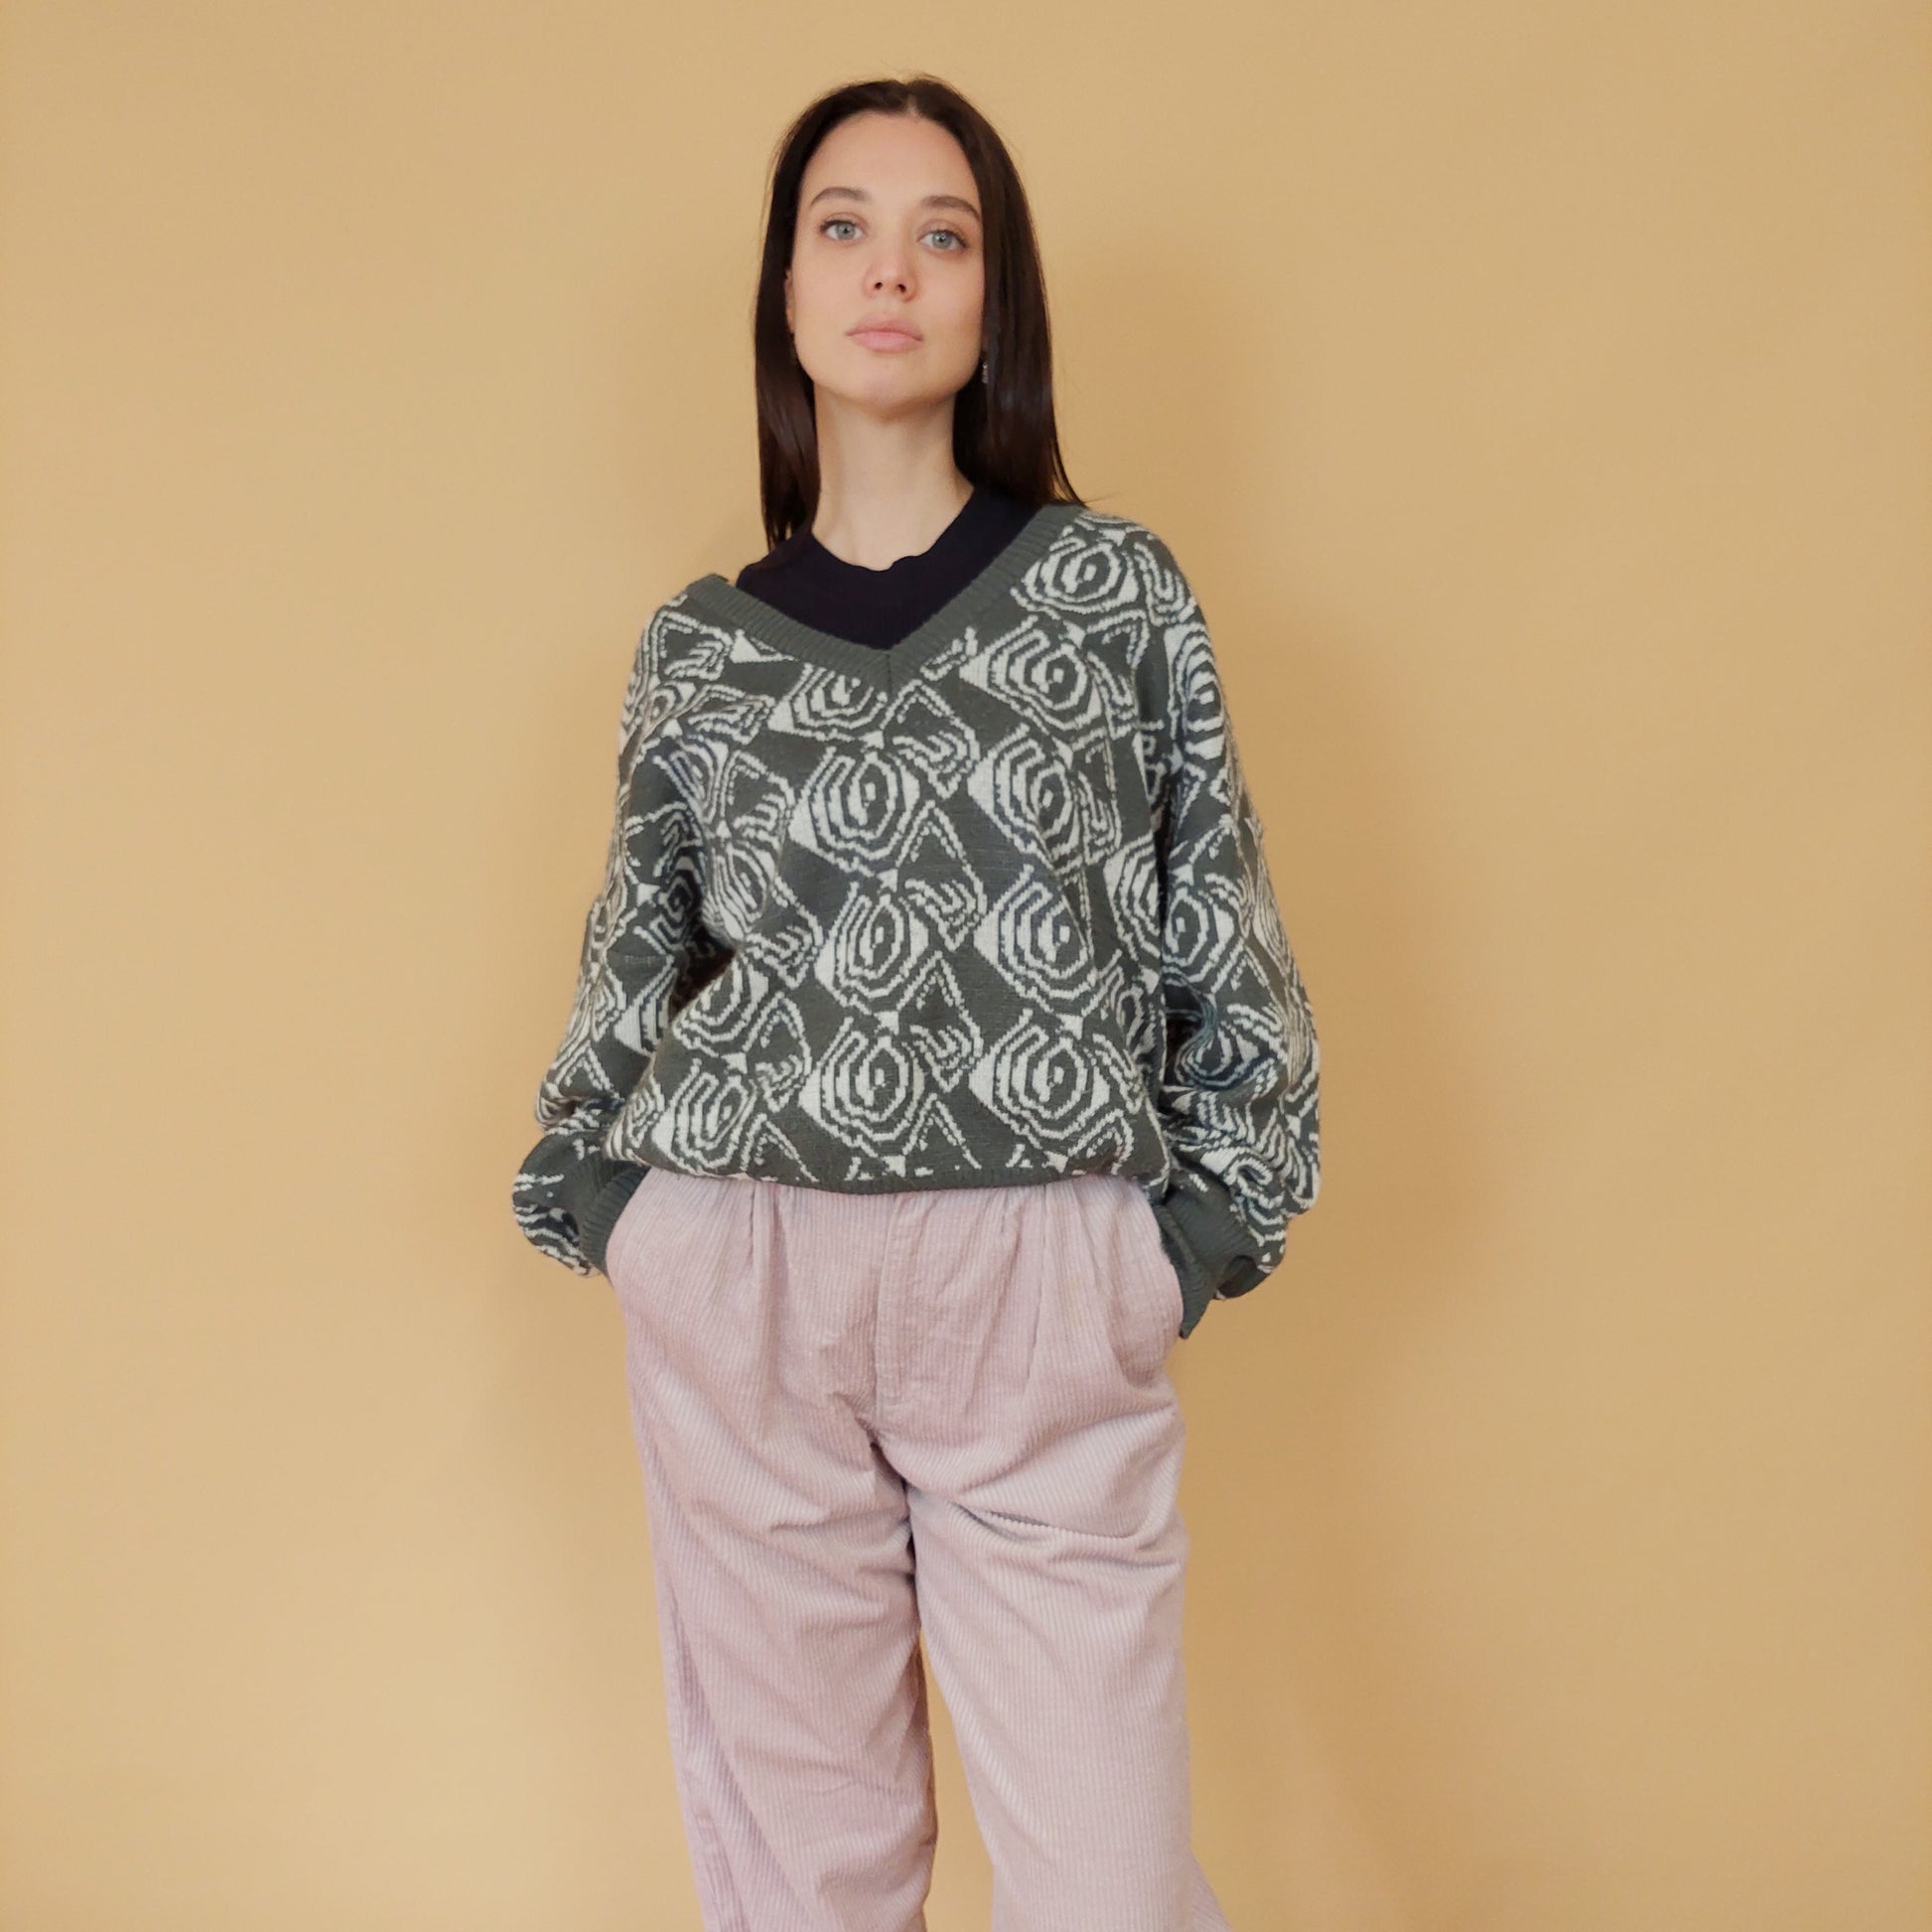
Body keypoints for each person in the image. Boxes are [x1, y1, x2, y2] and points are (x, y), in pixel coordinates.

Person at [511, 72, 1320, 1932]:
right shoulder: (700, 643)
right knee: (804, 1882)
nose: (890, 270)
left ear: (991, 300)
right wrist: (616, 1209)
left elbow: (1220, 921)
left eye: (940, 235)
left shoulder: (1110, 593)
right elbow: (636, 949)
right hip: (746, 1282)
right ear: (788, 294)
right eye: (844, 227)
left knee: (1106, 1886)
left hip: (1038, 1281)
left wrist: (1182, 1241)